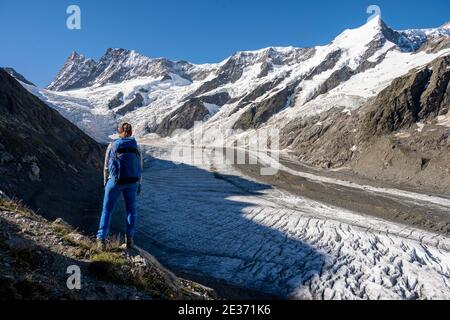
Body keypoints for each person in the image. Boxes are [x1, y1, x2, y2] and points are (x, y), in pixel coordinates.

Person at [96, 122, 143, 250]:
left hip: (115, 182)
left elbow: (106, 166)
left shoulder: (113, 145)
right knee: (131, 211)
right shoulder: (136, 147)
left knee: (107, 210)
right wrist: (139, 184)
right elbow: (140, 166)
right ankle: (130, 240)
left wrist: (107, 182)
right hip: (132, 182)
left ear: (120, 131)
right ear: (131, 132)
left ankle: (101, 240)